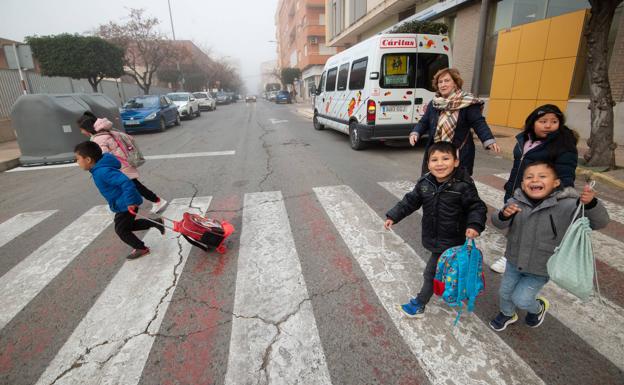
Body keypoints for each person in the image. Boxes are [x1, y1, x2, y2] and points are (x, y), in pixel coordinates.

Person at [489, 161, 608, 331]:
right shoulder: (516, 201)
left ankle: (537, 308)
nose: (535, 180)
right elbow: (497, 222)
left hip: (541, 266)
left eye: (542, 176)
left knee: (521, 299)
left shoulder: (568, 205)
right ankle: (507, 313)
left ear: (556, 182)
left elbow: (600, 222)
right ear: (523, 184)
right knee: (505, 293)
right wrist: (503, 215)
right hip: (514, 260)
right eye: (529, 177)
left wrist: (590, 204)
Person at [384, 141, 487, 318]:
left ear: (456, 161)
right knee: (446, 267)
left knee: (430, 273)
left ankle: (419, 304)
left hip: (453, 237)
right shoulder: (425, 183)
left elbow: (476, 207)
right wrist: (394, 216)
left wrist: (474, 225)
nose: (439, 164)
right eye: (434, 160)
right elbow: (410, 201)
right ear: (428, 163)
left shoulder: (463, 185)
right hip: (433, 234)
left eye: (445, 158)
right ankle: (450, 286)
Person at [490, 104, 579, 274]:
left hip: (538, 197)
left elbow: (566, 175)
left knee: (531, 229)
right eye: (543, 121)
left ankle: (522, 261)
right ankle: (511, 254)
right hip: (516, 191)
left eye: (554, 121)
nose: (548, 125)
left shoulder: (563, 145)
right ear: (532, 122)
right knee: (514, 224)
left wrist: (556, 197)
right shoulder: (525, 139)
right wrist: (510, 187)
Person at [74, 141, 165, 260]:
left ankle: (141, 248)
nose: (77, 162)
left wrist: (130, 202)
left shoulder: (103, 171)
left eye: (78, 159)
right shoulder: (99, 170)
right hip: (123, 203)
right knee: (127, 226)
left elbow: (126, 182)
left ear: (88, 160)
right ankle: (156, 222)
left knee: (121, 230)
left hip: (126, 204)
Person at [409, 68, 501, 176]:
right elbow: (424, 122)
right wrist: (416, 132)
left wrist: (488, 139)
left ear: (455, 83)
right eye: (440, 82)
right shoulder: (434, 103)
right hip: (437, 152)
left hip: (459, 153)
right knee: (433, 181)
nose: (443, 84)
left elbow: (478, 122)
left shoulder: (467, 102)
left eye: (447, 81)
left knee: (458, 185)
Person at [77, 112, 168, 214]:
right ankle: (148, 202)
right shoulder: (109, 132)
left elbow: (103, 156)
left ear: (87, 128)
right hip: (124, 163)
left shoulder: (98, 139)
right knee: (134, 185)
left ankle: (157, 201)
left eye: (81, 129)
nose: (81, 132)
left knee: (134, 186)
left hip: (119, 167)